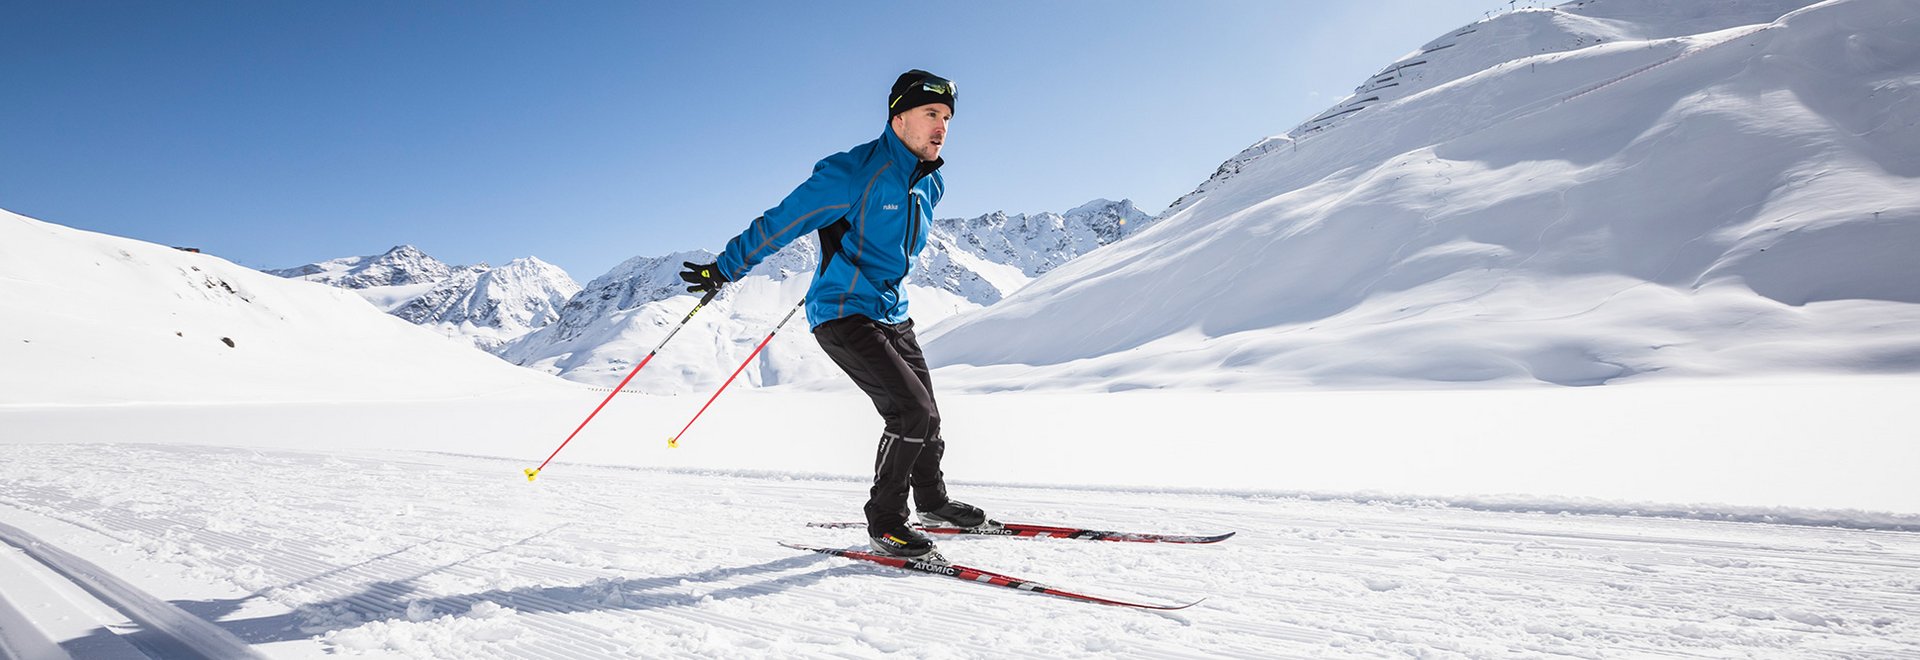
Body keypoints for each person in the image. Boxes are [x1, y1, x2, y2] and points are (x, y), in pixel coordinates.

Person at [678, 70, 987, 558]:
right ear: (899, 116)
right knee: (909, 411)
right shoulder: (850, 171)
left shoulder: (931, 184)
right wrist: (725, 268)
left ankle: (933, 502)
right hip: (843, 314)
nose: (941, 126)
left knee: (928, 416)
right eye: (931, 114)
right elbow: (782, 220)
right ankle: (886, 522)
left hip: (891, 312)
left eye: (947, 117)